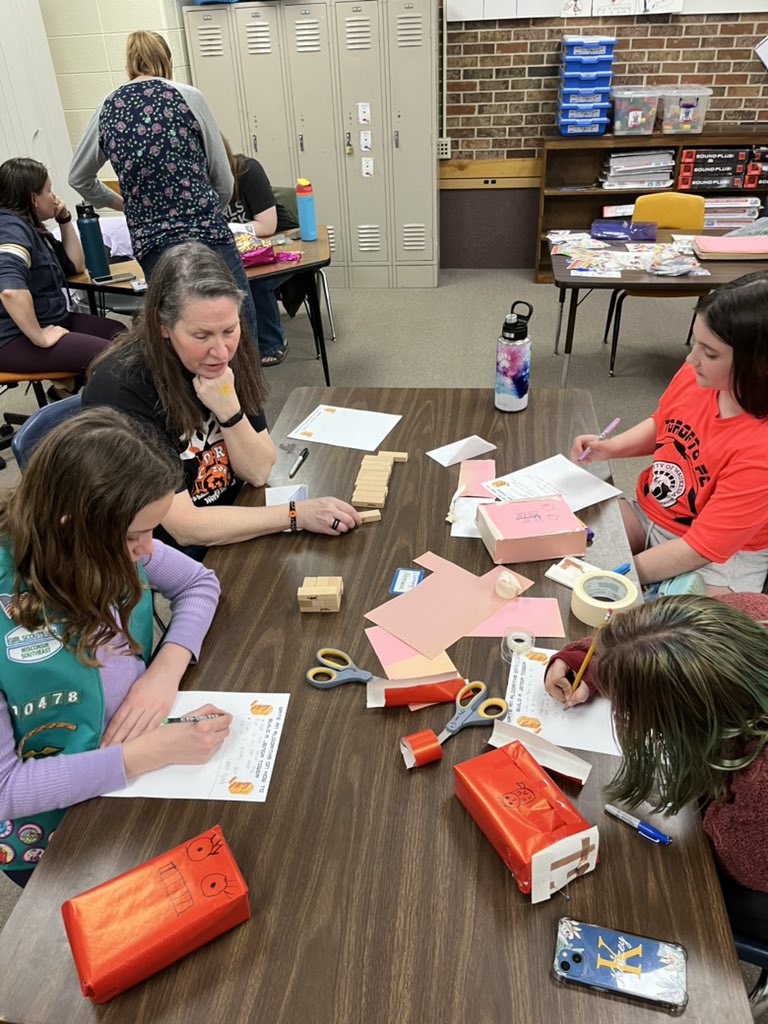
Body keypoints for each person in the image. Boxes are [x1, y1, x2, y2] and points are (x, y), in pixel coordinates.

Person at [0, 407, 229, 887]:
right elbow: (7, 790)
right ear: (70, 524)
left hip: (140, 774)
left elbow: (199, 584)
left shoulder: (113, 542)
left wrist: (165, 670)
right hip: (58, 833)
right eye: (134, 536)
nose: (148, 550)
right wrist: (144, 754)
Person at [82, 241, 360, 551]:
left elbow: (257, 471)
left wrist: (230, 412)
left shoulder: (229, 354)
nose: (220, 351)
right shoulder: (123, 389)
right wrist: (295, 515)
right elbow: (184, 528)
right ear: (163, 326)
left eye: (229, 330)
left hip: (236, 515)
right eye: (201, 336)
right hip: (168, 549)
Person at [544, 593, 768, 941]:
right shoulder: (746, 613)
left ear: (688, 727)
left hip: (755, 876)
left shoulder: (759, 784)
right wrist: (581, 662)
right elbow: (651, 642)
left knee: (676, 900)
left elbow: (746, 867)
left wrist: (714, 796)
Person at [571, 271, 768, 594]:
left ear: (760, 363)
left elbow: (699, 548)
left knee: (666, 635)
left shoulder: (760, 450)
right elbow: (665, 424)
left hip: (722, 559)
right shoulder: (698, 375)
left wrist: (621, 572)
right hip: (653, 513)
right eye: (695, 344)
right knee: (566, 540)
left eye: (710, 353)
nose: (691, 359)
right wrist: (613, 447)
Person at [67, 30, 259, 345]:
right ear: (168, 61)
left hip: (152, 241)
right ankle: (239, 391)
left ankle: (188, 393)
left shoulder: (108, 106)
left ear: (128, 65)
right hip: (206, 232)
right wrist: (208, 207)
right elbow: (223, 181)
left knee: (179, 331)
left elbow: (79, 178)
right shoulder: (188, 96)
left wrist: (122, 204)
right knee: (234, 325)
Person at [0, 157, 122, 390]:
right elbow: (10, 291)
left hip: (53, 320)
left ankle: (72, 394)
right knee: (111, 357)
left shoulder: (31, 228)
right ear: (33, 198)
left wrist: (64, 219)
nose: (54, 197)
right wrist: (40, 337)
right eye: (49, 190)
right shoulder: (10, 229)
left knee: (120, 335)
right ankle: (98, 415)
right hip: (13, 339)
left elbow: (75, 266)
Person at [223, 141, 299, 367]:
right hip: (240, 250)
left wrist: (228, 229)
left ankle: (272, 343)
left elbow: (267, 226)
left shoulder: (247, 171)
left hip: (281, 243)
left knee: (255, 280)